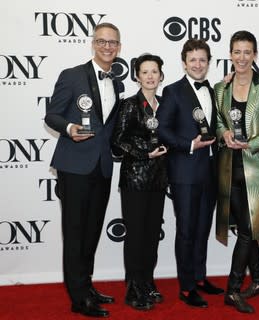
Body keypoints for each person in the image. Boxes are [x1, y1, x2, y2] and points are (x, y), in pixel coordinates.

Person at [45, 22, 124, 317]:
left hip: (102, 167)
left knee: (91, 232)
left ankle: (86, 286)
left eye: (113, 42)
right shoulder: (72, 75)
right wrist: (68, 127)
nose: (107, 47)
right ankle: (78, 298)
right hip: (75, 166)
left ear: (119, 47)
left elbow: (111, 128)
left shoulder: (116, 82)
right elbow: (51, 114)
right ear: (93, 43)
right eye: (102, 41)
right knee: (75, 233)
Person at [215, 30, 259, 313]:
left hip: (258, 169)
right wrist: (224, 134)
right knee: (246, 227)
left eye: (247, 52)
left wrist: (252, 143)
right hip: (228, 167)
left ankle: (232, 290)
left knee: (247, 229)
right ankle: (258, 280)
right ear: (230, 54)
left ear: (255, 55)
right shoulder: (221, 88)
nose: (242, 57)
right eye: (237, 51)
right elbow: (218, 120)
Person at [157, 38, 224, 308]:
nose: (198, 64)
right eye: (193, 60)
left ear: (209, 63)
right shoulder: (173, 92)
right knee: (186, 230)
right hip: (184, 172)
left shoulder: (214, 90)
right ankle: (186, 287)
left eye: (203, 60)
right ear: (184, 63)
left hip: (210, 171)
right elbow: (162, 129)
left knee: (202, 228)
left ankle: (199, 277)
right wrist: (189, 145)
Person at [112, 53, 168, 311]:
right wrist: (145, 151)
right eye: (144, 72)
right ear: (137, 76)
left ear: (161, 75)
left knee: (151, 236)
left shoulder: (165, 104)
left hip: (158, 180)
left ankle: (146, 281)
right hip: (134, 179)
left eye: (154, 71)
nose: (149, 76)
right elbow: (118, 140)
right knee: (135, 236)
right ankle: (133, 288)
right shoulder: (129, 105)